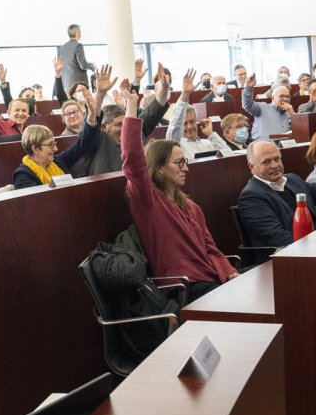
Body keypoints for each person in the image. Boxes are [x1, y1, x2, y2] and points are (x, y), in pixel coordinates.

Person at [122, 90, 238, 300]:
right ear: (158, 169)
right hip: (183, 288)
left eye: (185, 162)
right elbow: (132, 159)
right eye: (178, 163)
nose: (185, 168)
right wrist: (131, 107)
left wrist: (230, 274)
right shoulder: (148, 201)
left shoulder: (192, 207)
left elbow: (210, 249)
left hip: (211, 280)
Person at [237, 139, 316, 249]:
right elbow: (278, 238)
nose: (275, 165)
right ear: (251, 166)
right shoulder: (251, 196)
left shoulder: (292, 180)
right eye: (266, 162)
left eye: (277, 159)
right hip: (289, 257)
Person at [13, 86, 103, 188]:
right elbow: (35, 203)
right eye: (50, 145)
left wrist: (91, 114)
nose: (56, 149)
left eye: (54, 144)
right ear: (35, 149)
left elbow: (83, 144)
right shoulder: (23, 176)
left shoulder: (57, 161)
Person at [87, 64, 168, 176]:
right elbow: (92, 121)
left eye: (125, 125)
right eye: (119, 125)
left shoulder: (136, 132)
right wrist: (100, 94)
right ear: (104, 127)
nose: (125, 130)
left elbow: (156, 109)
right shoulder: (96, 141)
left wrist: (164, 89)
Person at [167, 69, 232, 159]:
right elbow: (175, 122)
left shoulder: (207, 142)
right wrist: (185, 93)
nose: (189, 127)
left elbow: (228, 154)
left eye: (192, 121)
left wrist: (211, 134)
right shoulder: (175, 145)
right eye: (184, 123)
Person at [241, 73, 292, 139]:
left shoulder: (289, 113)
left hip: (284, 146)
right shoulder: (262, 108)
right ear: (273, 98)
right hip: (262, 146)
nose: (285, 99)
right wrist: (248, 87)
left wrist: (293, 114)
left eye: (288, 97)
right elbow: (247, 105)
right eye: (281, 96)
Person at [57, 23, 93, 93]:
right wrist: (92, 66)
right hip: (78, 85)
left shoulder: (62, 48)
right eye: (80, 32)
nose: (80, 34)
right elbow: (83, 65)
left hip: (66, 85)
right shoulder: (78, 46)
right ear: (77, 33)